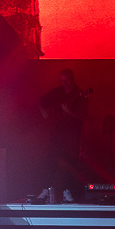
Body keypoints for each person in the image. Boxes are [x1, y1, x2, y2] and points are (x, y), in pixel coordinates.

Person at [38, 69, 90, 202]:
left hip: (71, 136)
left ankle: (68, 191)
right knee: (50, 161)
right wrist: (44, 112)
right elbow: (41, 100)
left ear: (72, 78)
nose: (64, 83)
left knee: (70, 163)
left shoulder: (80, 94)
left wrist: (69, 112)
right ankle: (46, 189)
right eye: (62, 80)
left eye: (67, 80)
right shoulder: (57, 92)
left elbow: (84, 117)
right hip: (56, 132)